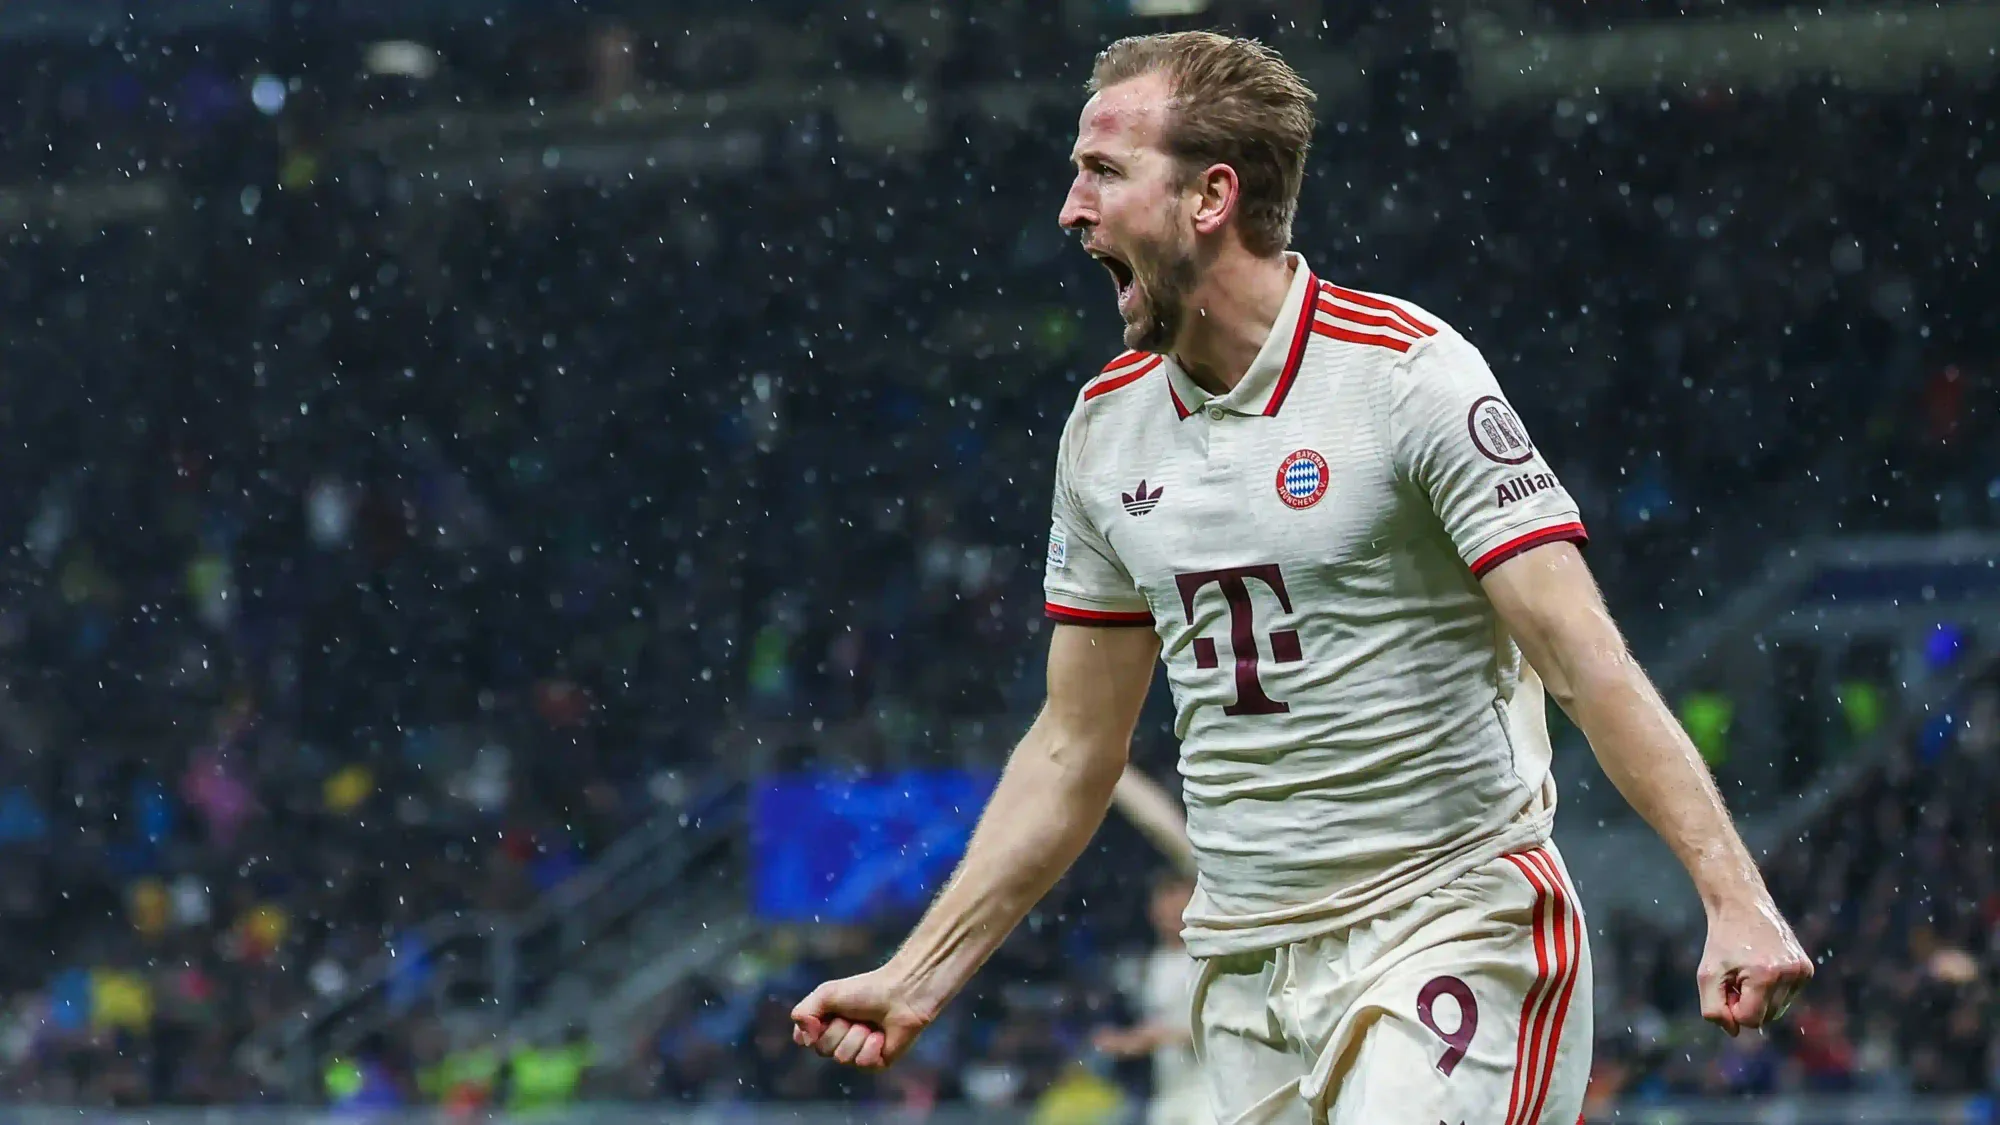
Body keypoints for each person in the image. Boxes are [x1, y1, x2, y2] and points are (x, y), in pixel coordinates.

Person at [791, 30, 1812, 1125]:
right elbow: (1070, 747)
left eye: (1101, 171)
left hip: (1452, 926)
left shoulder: (1406, 377)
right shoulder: (1104, 431)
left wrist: (1733, 896)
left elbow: (1582, 658)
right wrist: (920, 972)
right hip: (1244, 976)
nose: (1068, 210)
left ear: (1209, 197)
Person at [1093, 872, 1212, 1125]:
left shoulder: (1210, 961)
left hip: (1210, 1092)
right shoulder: (1150, 965)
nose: (1172, 914)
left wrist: (1152, 1038)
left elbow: (1222, 1024)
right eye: (1165, 904)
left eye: (1180, 905)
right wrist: (1125, 1041)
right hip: (1168, 1092)